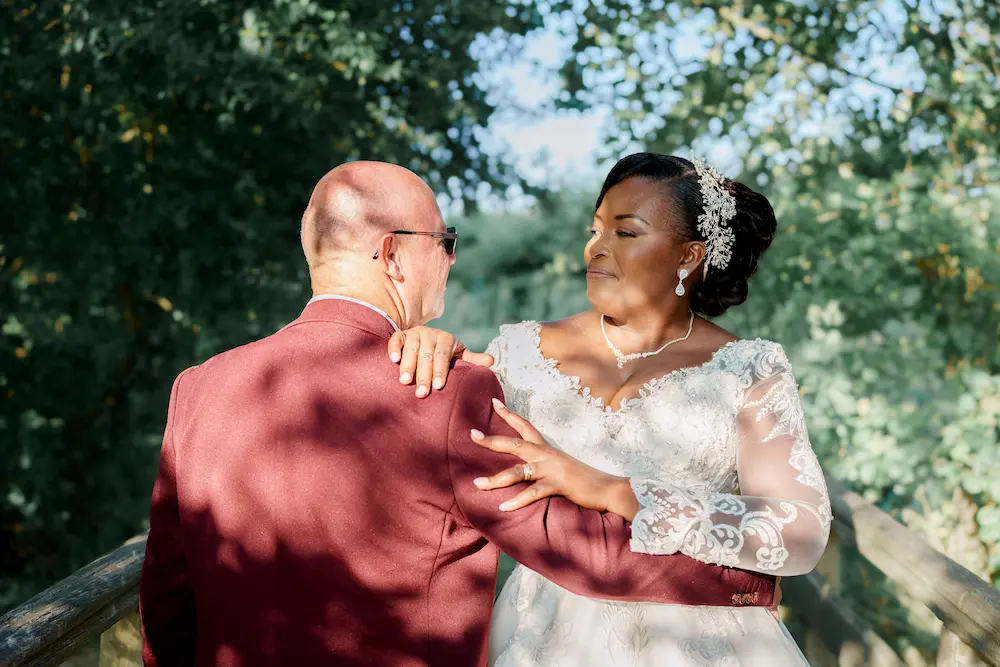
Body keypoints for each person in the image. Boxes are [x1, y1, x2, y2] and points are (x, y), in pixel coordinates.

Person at [138, 160, 777, 667]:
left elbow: (168, 596)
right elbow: (587, 554)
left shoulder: (198, 388)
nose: (451, 258)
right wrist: (743, 583)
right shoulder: (445, 395)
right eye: (445, 242)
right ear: (392, 255)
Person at [388, 153, 832, 666]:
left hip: (708, 640)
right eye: (595, 229)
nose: (595, 248)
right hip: (542, 635)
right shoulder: (521, 352)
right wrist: (435, 348)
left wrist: (607, 490)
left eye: (625, 233)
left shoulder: (749, 368)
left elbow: (799, 530)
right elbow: (448, 463)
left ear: (688, 256)